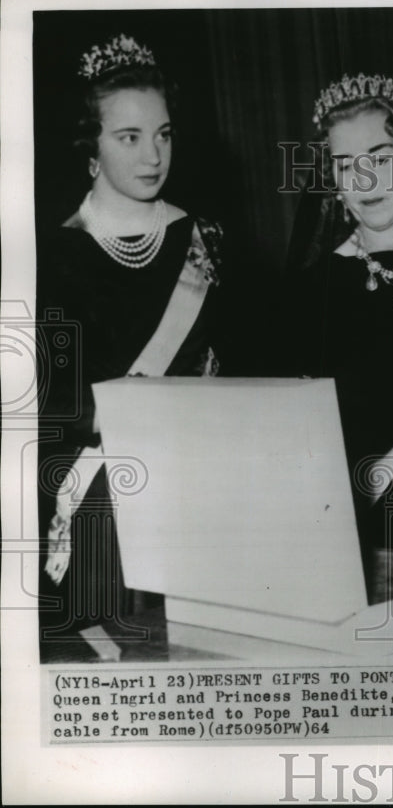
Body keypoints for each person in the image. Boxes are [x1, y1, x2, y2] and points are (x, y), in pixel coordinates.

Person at [37, 34, 223, 661]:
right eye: (130, 137)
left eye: (164, 135)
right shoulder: (54, 257)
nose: (153, 155)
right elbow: (51, 410)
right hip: (101, 501)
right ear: (90, 147)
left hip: (201, 491)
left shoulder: (204, 240)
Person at [283, 74, 393, 591]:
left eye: (380, 157)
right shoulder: (310, 296)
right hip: (369, 547)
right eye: (347, 165)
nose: (366, 181)